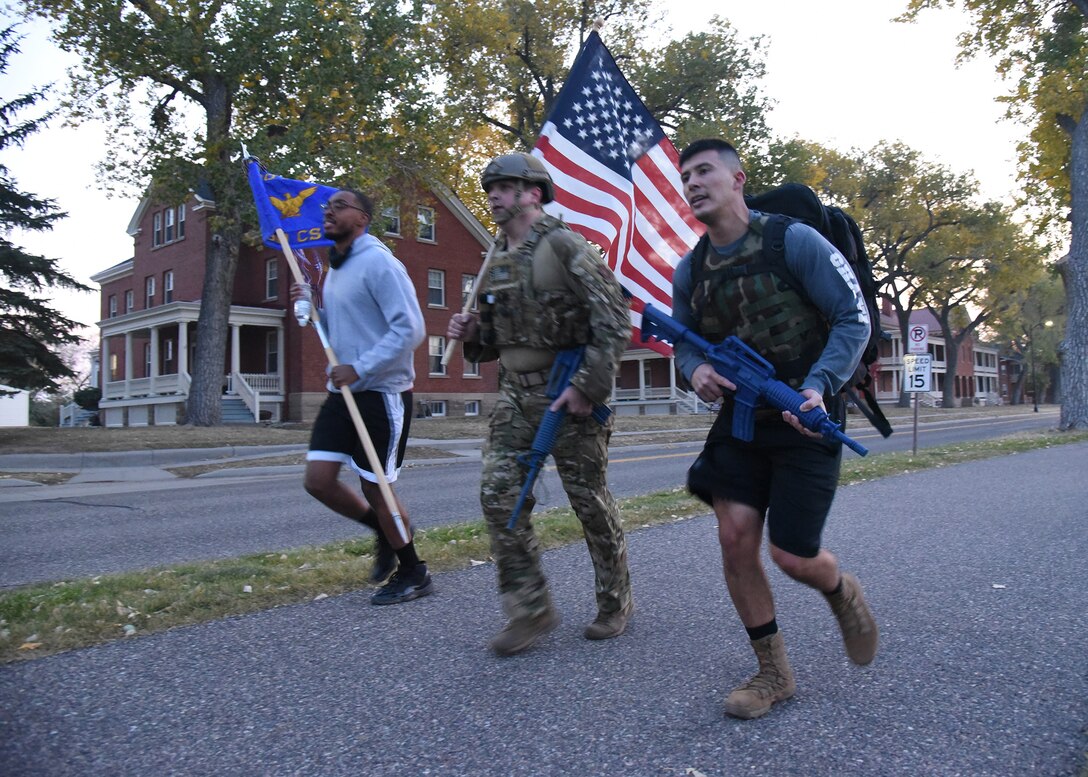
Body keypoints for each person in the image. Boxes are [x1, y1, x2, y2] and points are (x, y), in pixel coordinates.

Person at [672, 139, 878, 719]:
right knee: (734, 537)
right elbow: (684, 341)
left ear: (738, 179)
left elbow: (852, 316)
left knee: (792, 556)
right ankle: (773, 673)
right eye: (686, 175)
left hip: (808, 412)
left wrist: (819, 385)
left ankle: (840, 588)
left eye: (704, 170)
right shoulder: (690, 268)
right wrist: (699, 371)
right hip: (741, 422)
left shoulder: (793, 240)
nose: (693, 182)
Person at [446, 152, 633, 656]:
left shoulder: (564, 245)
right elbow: (499, 338)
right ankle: (530, 610)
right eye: (491, 188)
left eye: (504, 187)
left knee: (588, 503)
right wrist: (472, 333)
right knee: (498, 498)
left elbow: (614, 319)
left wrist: (588, 387)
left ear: (533, 192)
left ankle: (615, 602)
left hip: (568, 395)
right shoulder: (495, 257)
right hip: (514, 398)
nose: (493, 196)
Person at [291, 188, 431, 606]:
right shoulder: (337, 268)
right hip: (343, 394)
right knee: (318, 481)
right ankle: (383, 532)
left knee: (378, 489)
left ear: (363, 219)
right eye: (327, 207)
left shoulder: (380, 263)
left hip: (381, 394)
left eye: (339, 206)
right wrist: (313, 310)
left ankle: (414, 571)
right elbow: (340, 334)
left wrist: (361, 367)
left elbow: (411, 329)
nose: (328, 212)